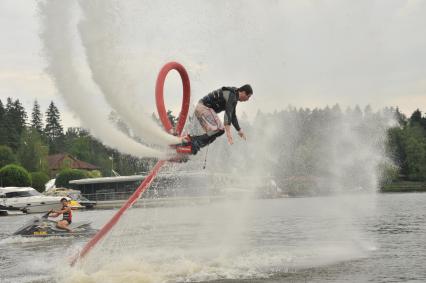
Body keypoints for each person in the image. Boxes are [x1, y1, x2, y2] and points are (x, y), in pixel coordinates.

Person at [175, 84, 253, 155]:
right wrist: (228, 134)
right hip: (203, 107)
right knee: (220, 129)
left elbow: (232, 116)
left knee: (214, 134)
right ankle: (193, 143)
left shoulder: (234, 97)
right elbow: (228, 114)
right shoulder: (232, 95)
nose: (248, 99)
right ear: (243, 92)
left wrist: (239, 130)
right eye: (248, 96)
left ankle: (187, 146)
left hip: (201, 109)